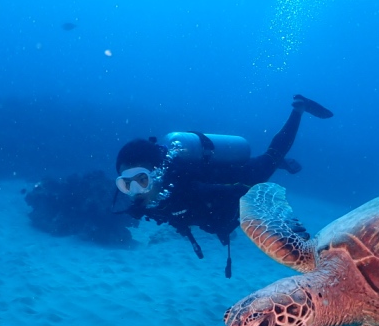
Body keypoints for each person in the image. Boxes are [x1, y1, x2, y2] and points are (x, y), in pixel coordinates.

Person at [113, 94, 333, 277]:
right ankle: (278, 162)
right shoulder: (151, 199)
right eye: (126, 184)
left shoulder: (193, 188)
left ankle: (299, 109)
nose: (135, 191)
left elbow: (246, 193)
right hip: (214, 208)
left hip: (240, 176)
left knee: (272, 157)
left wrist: (290, 235)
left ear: (158, 174)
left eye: (142, 180)